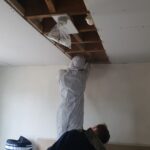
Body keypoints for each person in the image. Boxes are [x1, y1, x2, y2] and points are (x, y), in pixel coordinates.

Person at [57, 56, 90, 138]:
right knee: (73, 136)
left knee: (60, 135)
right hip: (76, 111)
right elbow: (88, 68)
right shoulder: (82, 76)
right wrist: (87, 62)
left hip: (63, 109)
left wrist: (69, 68)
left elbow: (60, 71)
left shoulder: (63, 76)